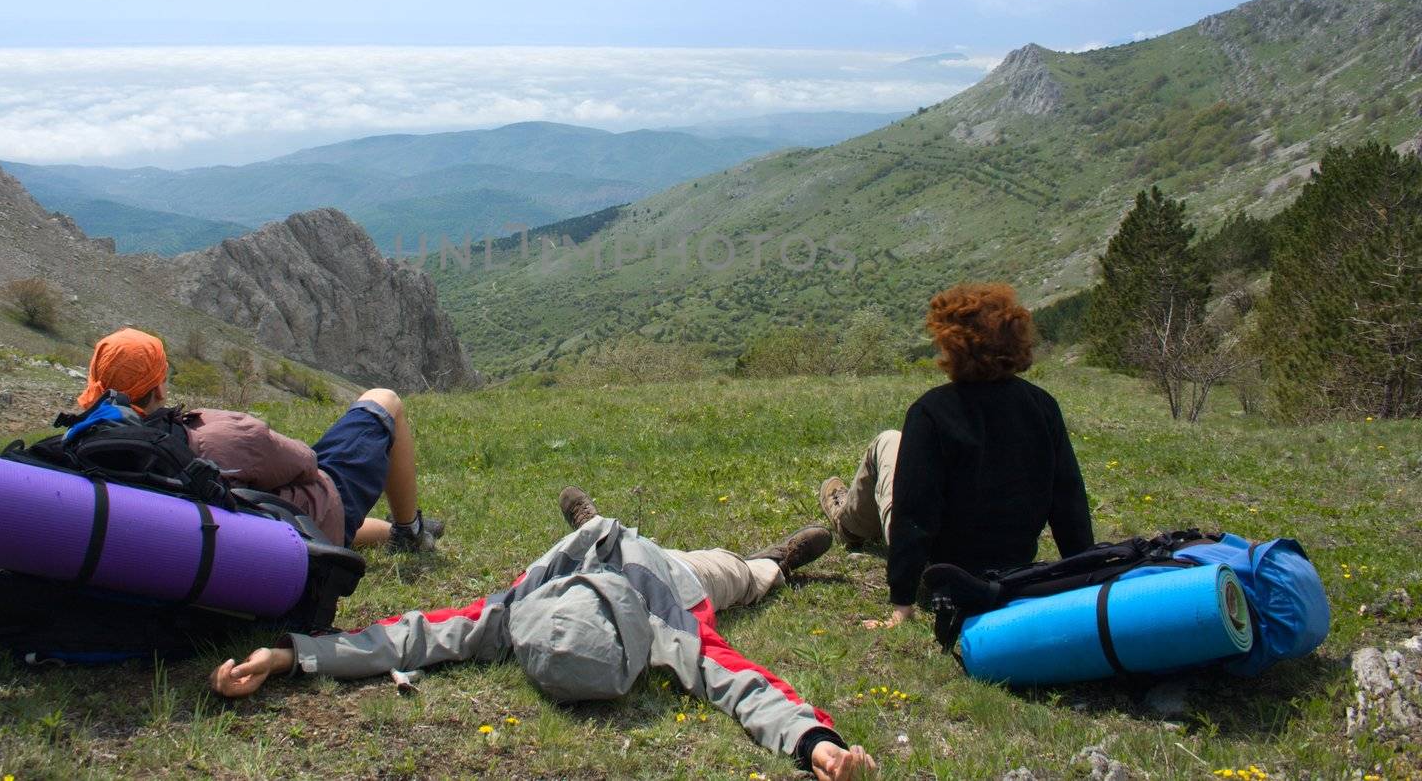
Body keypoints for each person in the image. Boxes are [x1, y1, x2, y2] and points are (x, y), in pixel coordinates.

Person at [210, 488, 877, 781]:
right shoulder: (651, 623)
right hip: (650, 567)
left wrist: (292, 654)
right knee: (736, 574)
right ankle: (774, 563)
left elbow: (407, 638)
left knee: (703, 563)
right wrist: (815, 739)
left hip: (642, 564)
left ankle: (600, 519)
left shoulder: (519, 610)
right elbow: (742, 685)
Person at [817, 282, 1093, 630]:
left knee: (887, 442)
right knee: (896, 447)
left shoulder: (932, 411)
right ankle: (849, 517)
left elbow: (913, 515)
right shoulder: (1042, 406)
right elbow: (1069, 503)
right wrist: (1084, 578)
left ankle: (847, 523)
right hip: (1013, 566)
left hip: (940, 568)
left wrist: (901, 604)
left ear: (951, 344)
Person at [75, 327, 440, 551]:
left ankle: (392, 534)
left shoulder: (87, 452)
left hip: (220, 538)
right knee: (384, 401)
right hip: (296, 534)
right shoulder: (219, 434)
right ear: (158, 385)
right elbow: (305, 463)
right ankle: (409, 530)